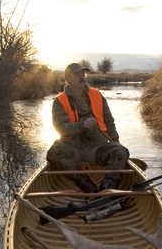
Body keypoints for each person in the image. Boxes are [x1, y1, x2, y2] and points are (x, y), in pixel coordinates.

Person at [46, 62, 130, 193]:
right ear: (67, 79)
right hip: (73, 149)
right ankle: (89, 189)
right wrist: (81, 125)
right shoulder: (59, 101)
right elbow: (60, 128)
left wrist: (115, 140)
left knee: (121, 151)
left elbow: (109, 121)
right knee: (54, 153)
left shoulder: (97, 95)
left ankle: (106, 190)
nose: (82, 77)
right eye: (77, 75)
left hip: (96, 149)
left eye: (83, 74)